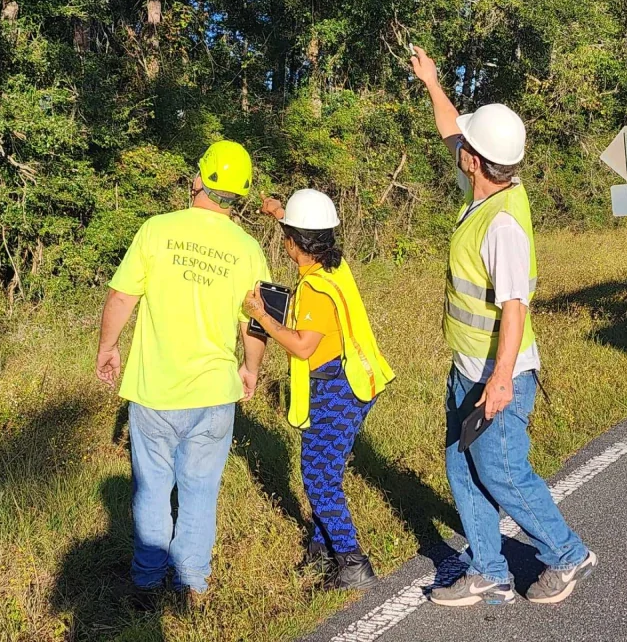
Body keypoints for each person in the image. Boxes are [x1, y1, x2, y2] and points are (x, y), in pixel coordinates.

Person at [410, 48, 597, 607]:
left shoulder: (504, 225)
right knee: (461, 466)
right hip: (468, 365)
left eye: (463, 147)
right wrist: (433, 83)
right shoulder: (489, 186)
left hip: (497, 372)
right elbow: (452, 130)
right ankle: (488, 569)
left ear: (474, 160)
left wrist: (502, 378)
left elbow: (514, 307)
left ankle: (567, 554)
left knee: (503, 472)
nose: (457, 148)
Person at [95, 140, 270, 611]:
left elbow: (120, 297)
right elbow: (256, 322)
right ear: (242, 195)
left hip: (155, 392)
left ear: (200, 179)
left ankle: (148, 584)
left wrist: (108, 348)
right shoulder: (249, 249)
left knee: (153, 490)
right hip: (215, 395)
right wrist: (250, 370)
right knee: (200, 490)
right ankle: (192, 583)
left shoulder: (156, 230)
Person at [242, 189, 395, 590]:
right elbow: (306, 230)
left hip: (335, 389)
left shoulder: (312, 289)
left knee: (320, 479)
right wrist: (278, 211)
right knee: (322, 470)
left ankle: (352, 562)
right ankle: (321, 548)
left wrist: (261, 315)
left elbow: (301, 345)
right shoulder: (335, 266)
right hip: (357, 382)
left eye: (287, 237)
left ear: (293, 244)